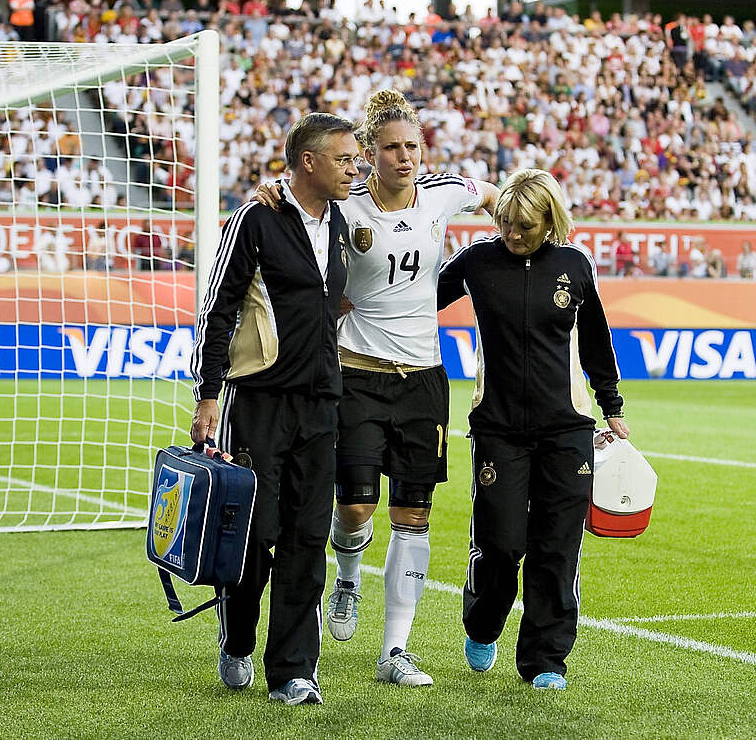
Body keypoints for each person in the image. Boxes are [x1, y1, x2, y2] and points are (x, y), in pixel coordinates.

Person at [254, 90, 500, 687]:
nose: (404, 157)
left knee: (414, 513)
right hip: (358, 374)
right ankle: (347, 576)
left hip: (424, 378)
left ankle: (395, 650)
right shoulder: (348, 204)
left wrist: (524, 229)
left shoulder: (444, 192)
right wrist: (270, 191)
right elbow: (297, 201)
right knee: (356, 507)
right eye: (391, 148)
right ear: (368, 152)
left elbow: (496, 195)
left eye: (412, 145)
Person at [188, 112, 357, 707]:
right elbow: (218, 308)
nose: (355, 169)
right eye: (344, 159)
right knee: (254, 538)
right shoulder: (254, 219)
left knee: (308, 539)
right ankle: (237, 639)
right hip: (257, 402)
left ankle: (293, 671)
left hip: (321, 403)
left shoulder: (345, 218)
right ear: (308, 162)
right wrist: (209, 394)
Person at [437, 169, 629, 691]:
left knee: (557, 547)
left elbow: (597, 340)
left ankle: (545, 659)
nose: (512, 234)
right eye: (505, 223)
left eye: (524, 226)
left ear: (550, 222)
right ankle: (483, 623)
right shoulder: (477, 260)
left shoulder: (575, 265)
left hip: (567, 428)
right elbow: (417, 298)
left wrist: (611, 404)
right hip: (497, 428)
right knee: (500, 544)